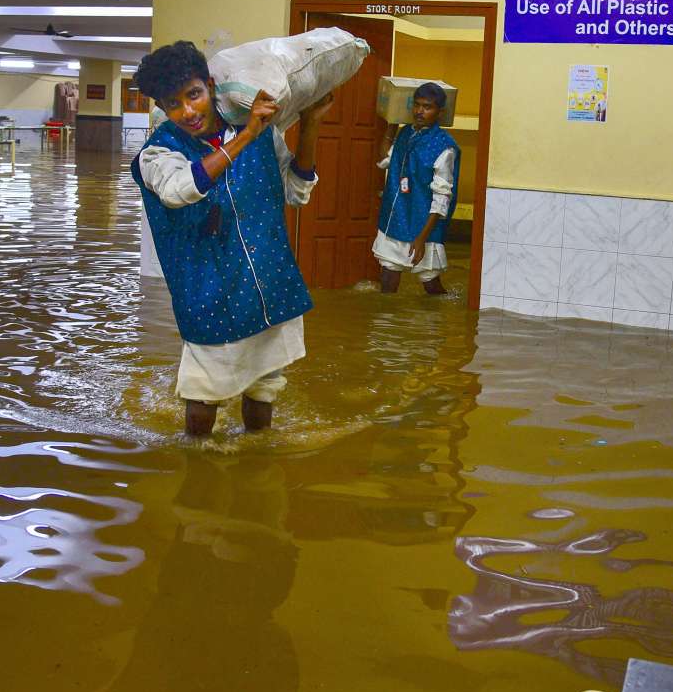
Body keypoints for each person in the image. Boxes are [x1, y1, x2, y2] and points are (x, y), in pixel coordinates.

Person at [131, 40, 334, 437]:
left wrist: (310, 124)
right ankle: (198, 465)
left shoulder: (259, 132)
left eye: (194, 95)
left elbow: (295, 191)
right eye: (174, 104)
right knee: (203, 397)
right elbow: (181, 189)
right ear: (161, 108)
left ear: (210, 85)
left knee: (264, 390)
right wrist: (247, 135)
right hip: (210, 294)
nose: (188, 111)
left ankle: (256, 461)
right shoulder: (156, 155)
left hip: (268, 285)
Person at [372, 82, 461, 295]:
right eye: (417, 105)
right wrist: (392, 124)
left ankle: (437, 321)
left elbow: (442, 196)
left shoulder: (444, 146)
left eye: (427, 107)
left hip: (423, 224)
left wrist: (421, 238)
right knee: (388, 277)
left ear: (440, 112)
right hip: (396, 218)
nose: (420, 111)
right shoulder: (406, 133)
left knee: (430, 284)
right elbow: (385, 159)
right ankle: (385, 326)